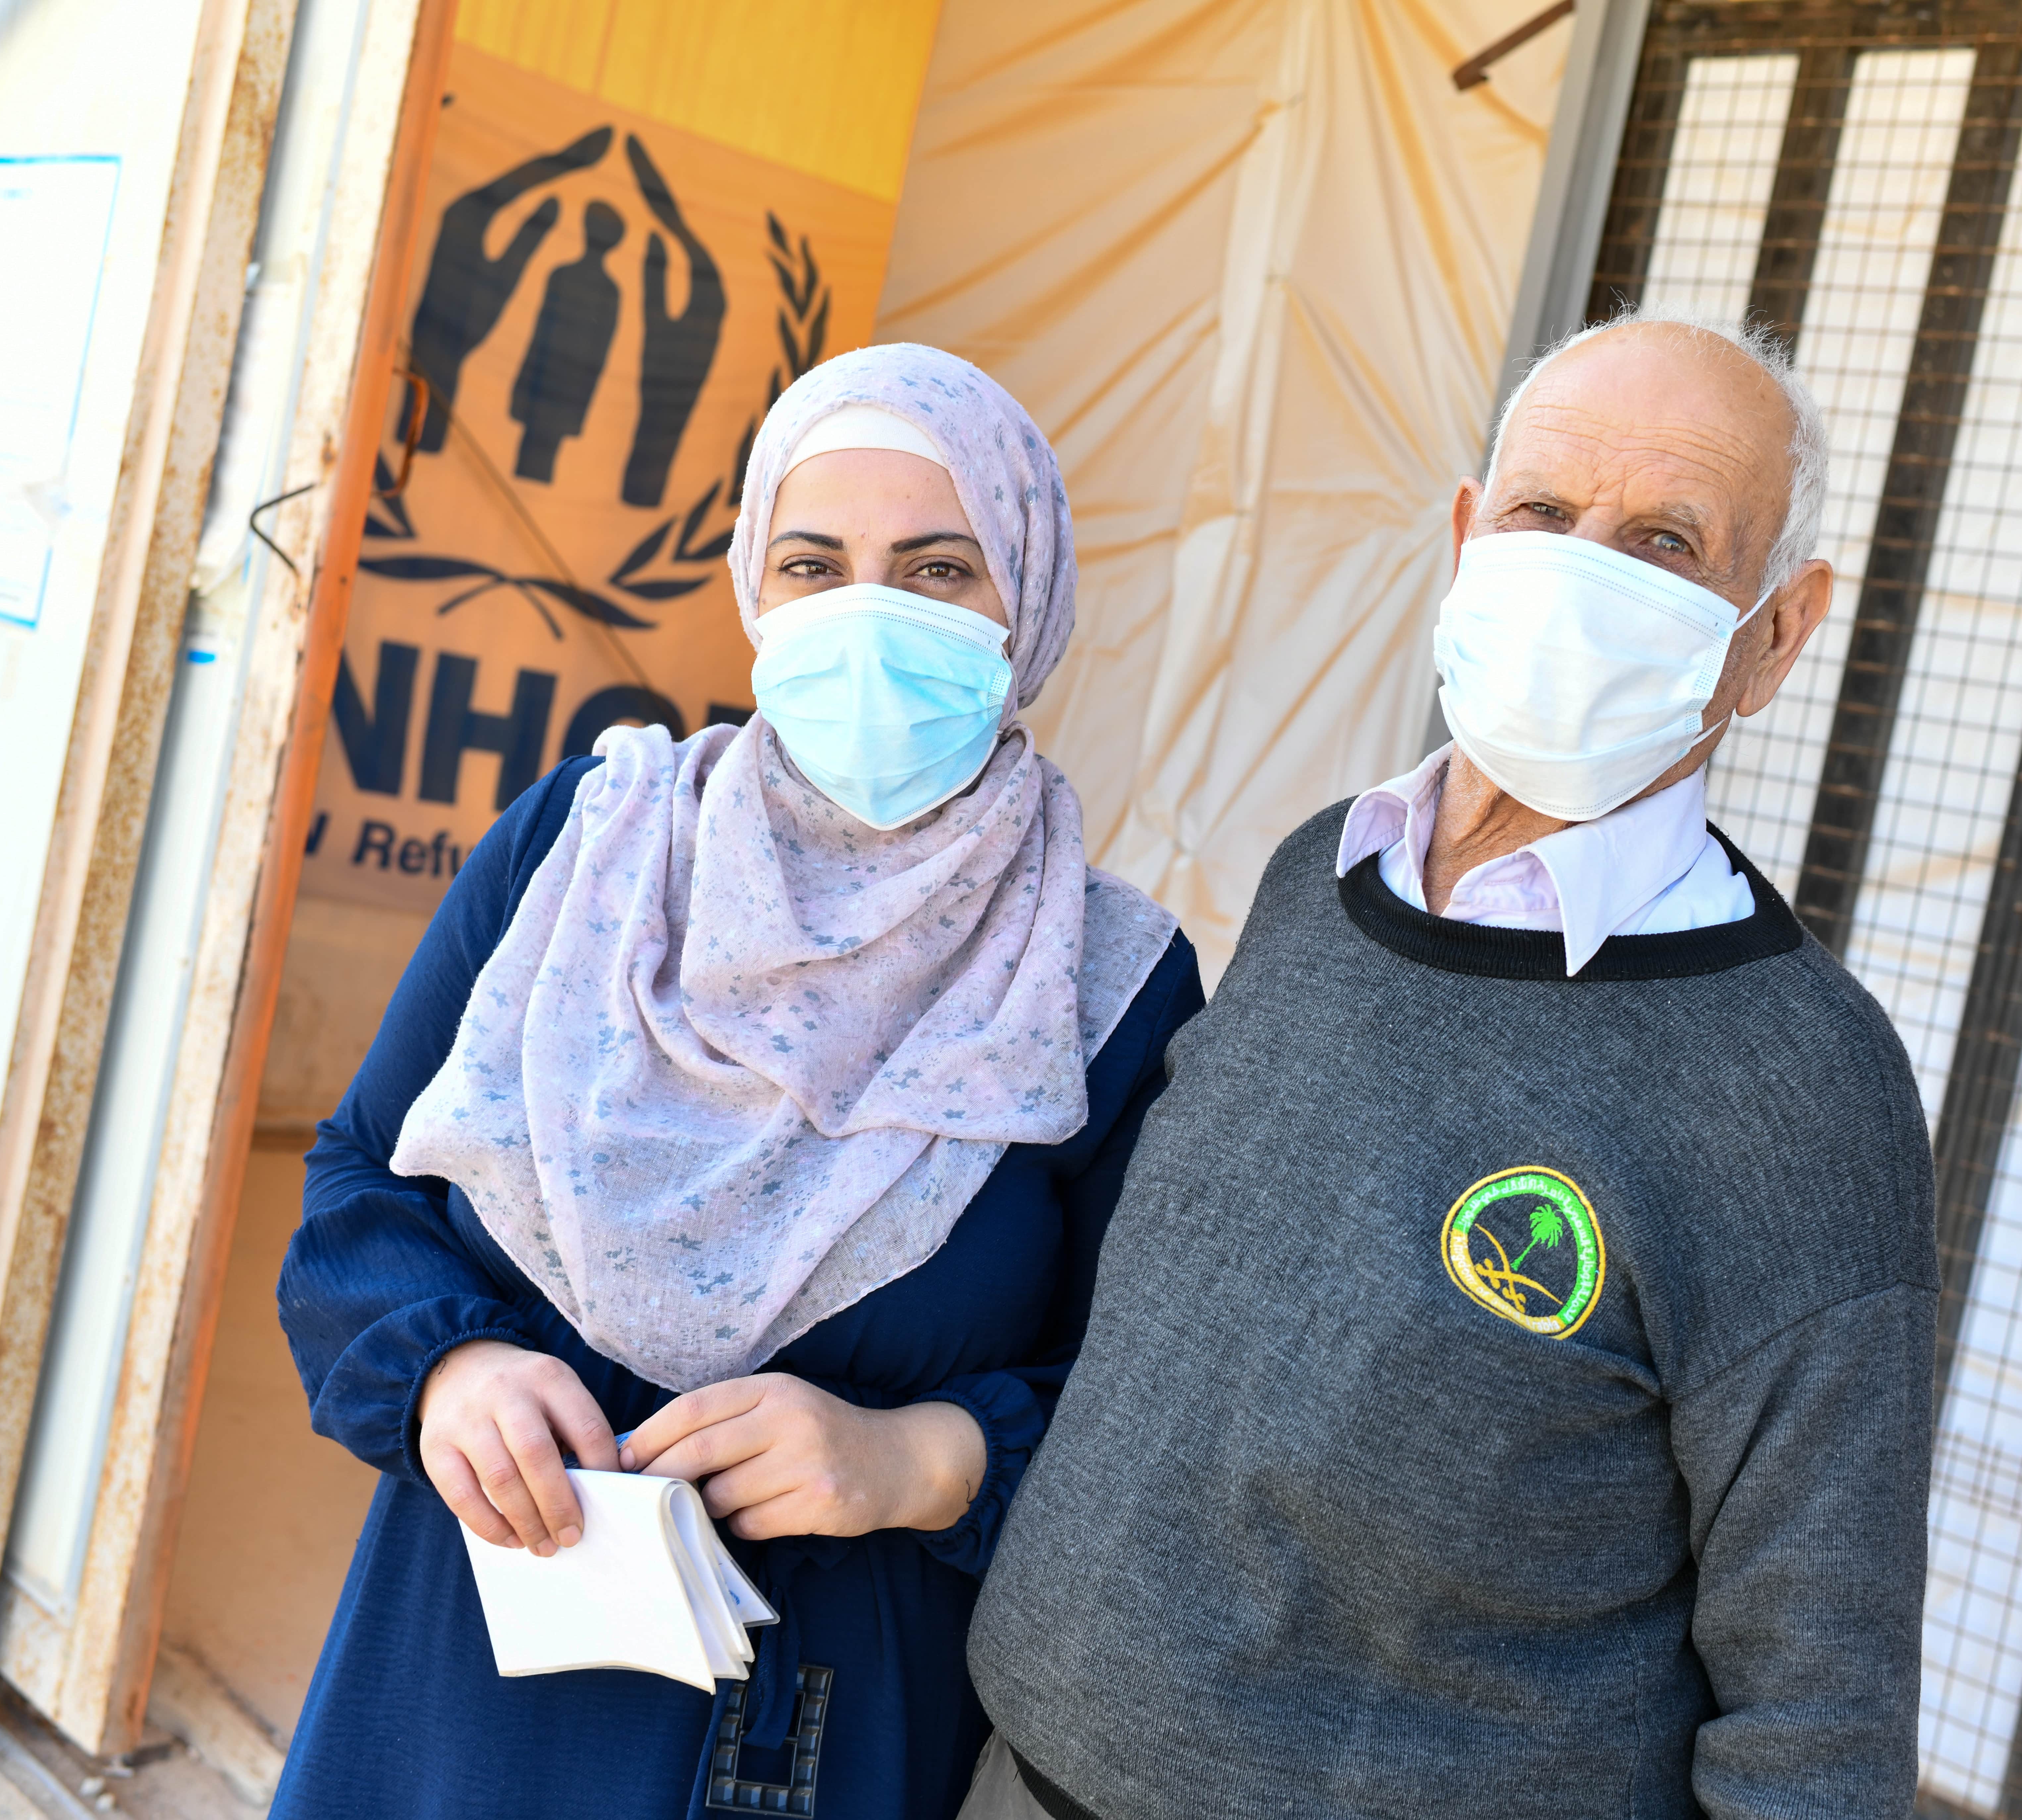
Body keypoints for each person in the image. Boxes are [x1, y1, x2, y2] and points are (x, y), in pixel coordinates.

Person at [958, 309, 1938, 1820]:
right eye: (1546, 514)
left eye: (1667, 542)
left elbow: (1818, 1707)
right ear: (1473, 535)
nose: (1583, 571)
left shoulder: (1803, 1088)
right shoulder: (1318, 879)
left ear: (1777, 634)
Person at [274, 343, 1202, 1820]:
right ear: (753, 589)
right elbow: (356, 1188)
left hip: (807, 1732)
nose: (869, 617)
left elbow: (1150, 1416)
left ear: (1030, 602)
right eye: (815, 562)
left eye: (940, 570)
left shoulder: (1108, 987)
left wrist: (917, 1456)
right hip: (462, 1677)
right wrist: (450, 1366)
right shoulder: (583, 850)